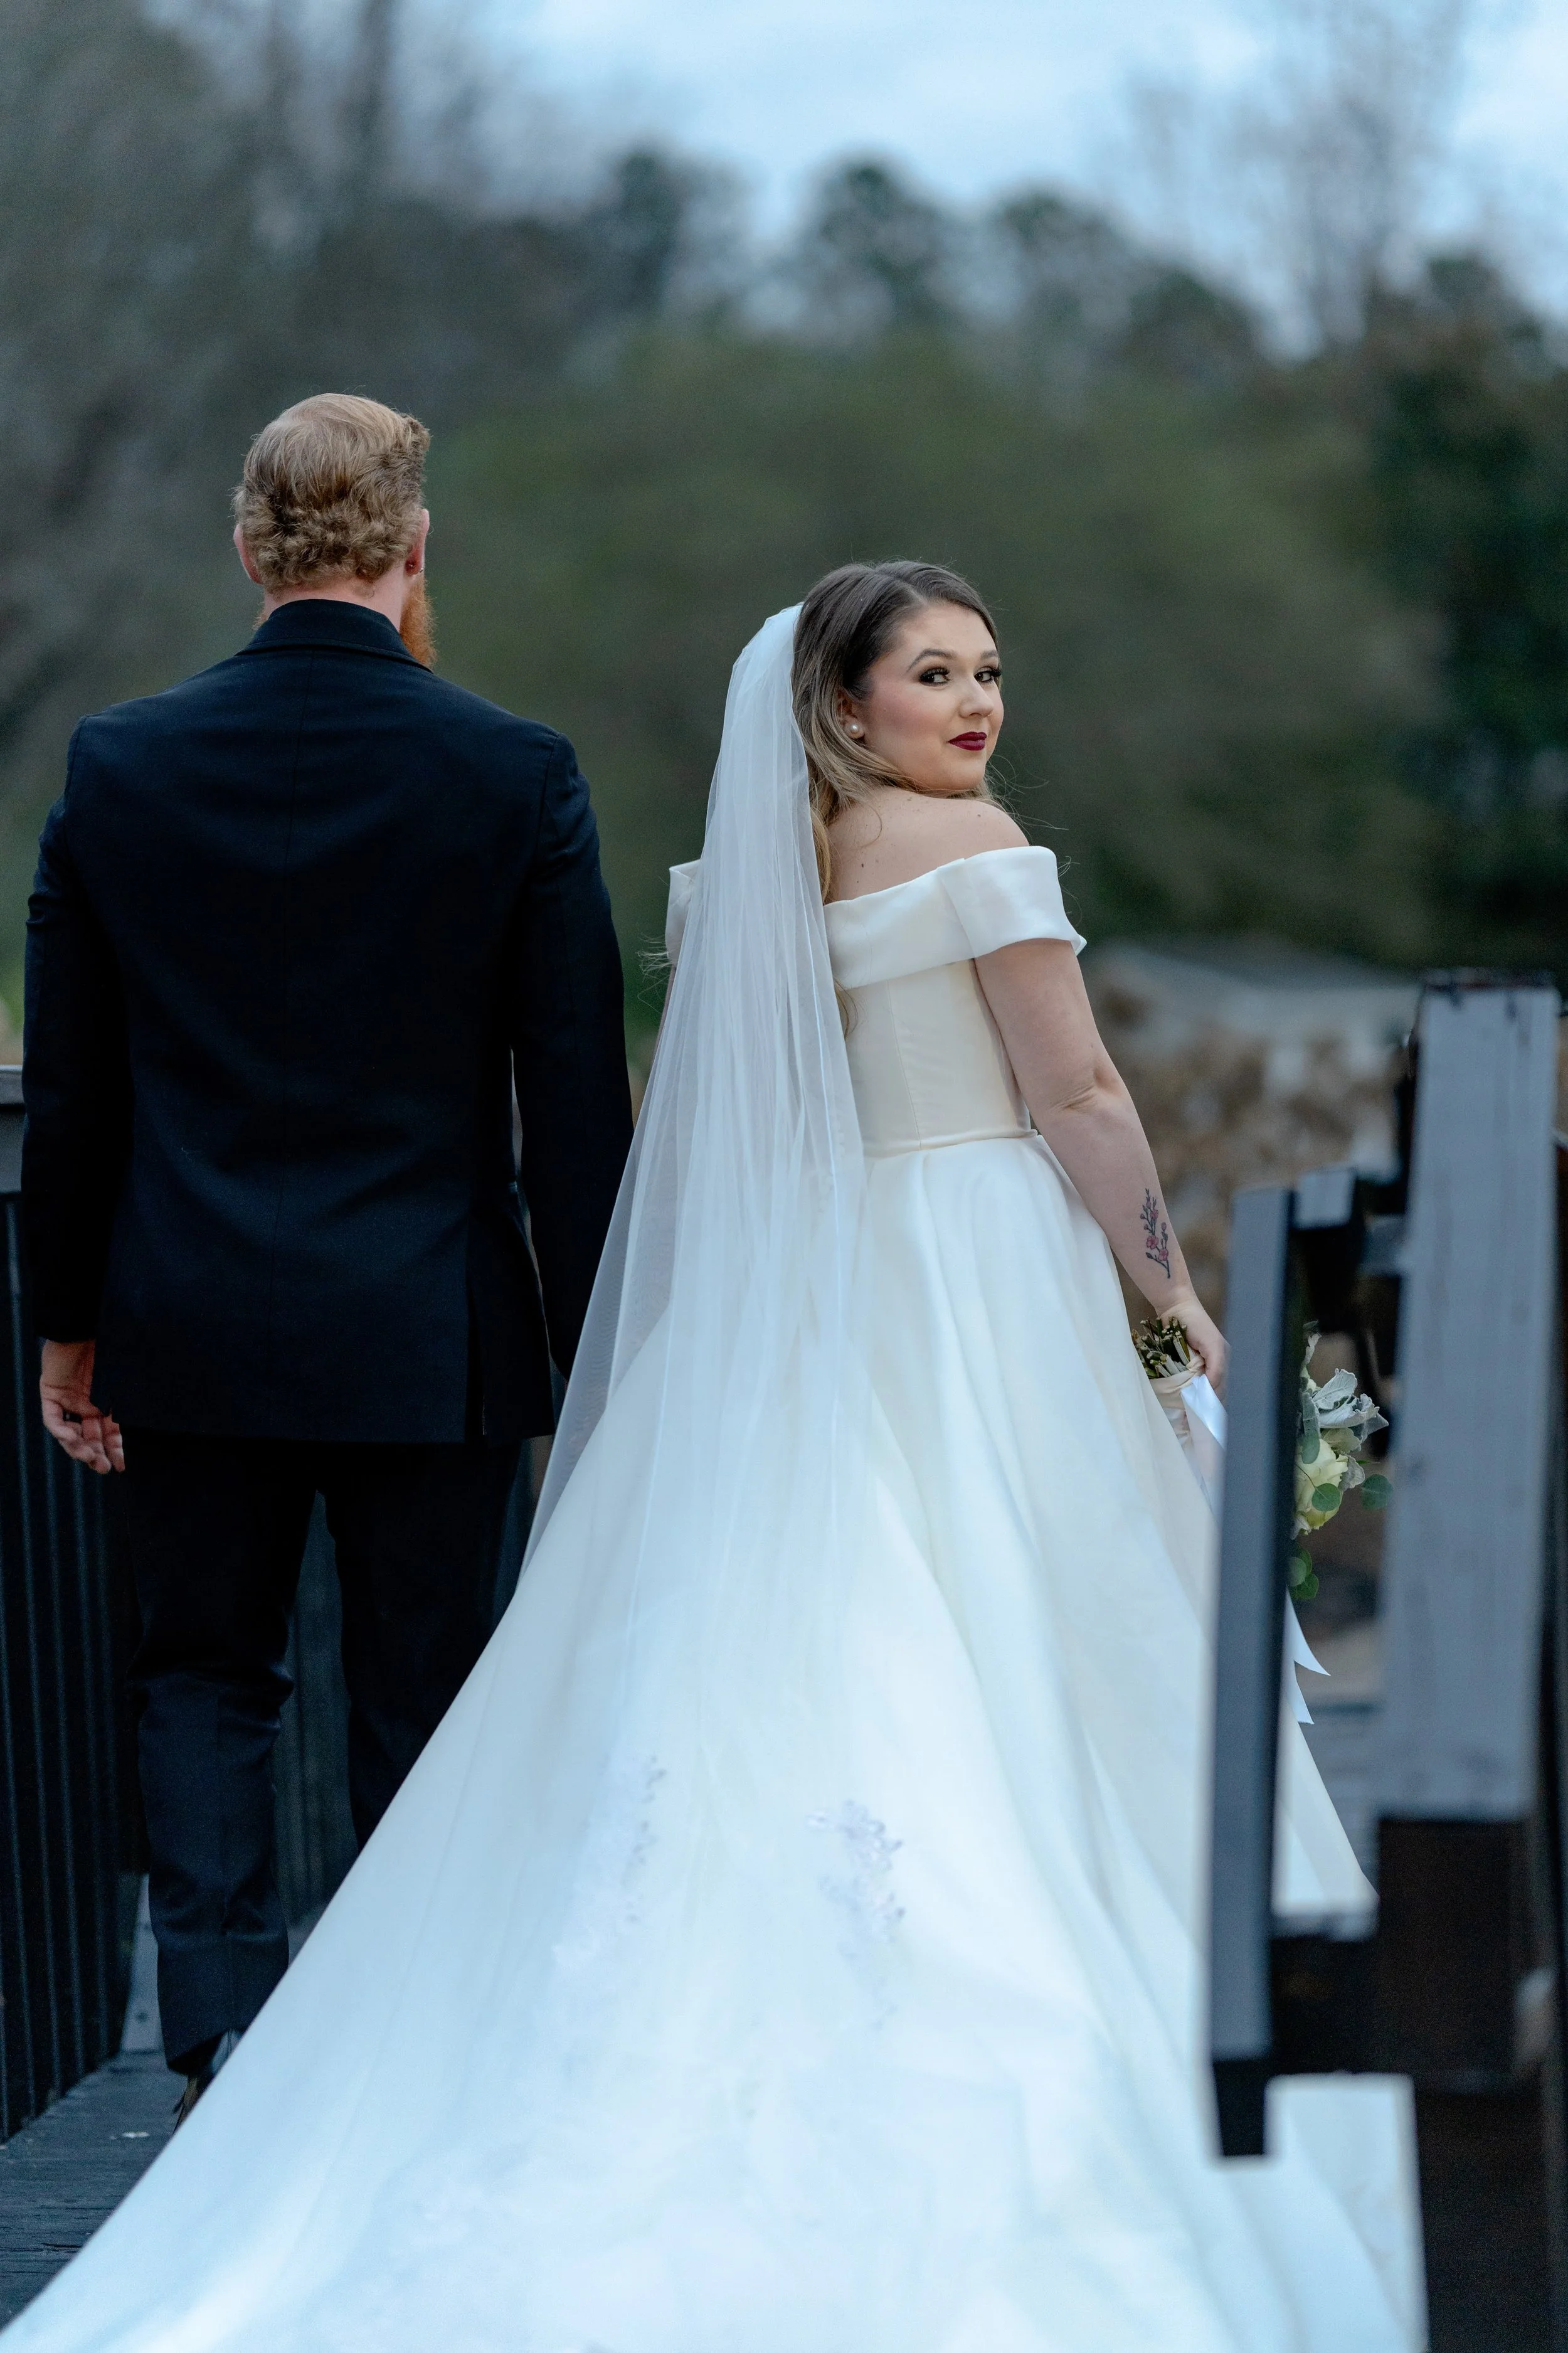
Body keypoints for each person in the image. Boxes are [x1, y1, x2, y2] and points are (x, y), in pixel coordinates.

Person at [7, 567, 1421, 2351]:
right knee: (1025, 1632)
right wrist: (1170, 1305)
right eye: (930, 673)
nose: (975, 704)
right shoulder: (978, 848)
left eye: (988, 670)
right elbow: (1075, 1100)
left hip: (824, 1289)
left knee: (820, 1625)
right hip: (982, 1275)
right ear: (843, 705)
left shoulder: (756, 881)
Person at [20, 395, 632, 2123]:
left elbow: (70, 1094)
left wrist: (64, 1326)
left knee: (202, 1670)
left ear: (246, 549)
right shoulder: (514, 772)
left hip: (187, 1314)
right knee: (424, 1686)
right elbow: (571, 1107)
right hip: (431, 1328)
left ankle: (216, 2024)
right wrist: (594, 1355)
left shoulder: (119, 763)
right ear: (415, 550)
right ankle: (413, 2015)